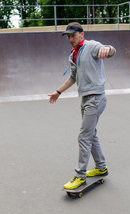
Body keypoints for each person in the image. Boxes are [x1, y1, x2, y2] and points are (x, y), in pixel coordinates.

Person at [48, 22, 116, 189]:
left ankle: (80, 175)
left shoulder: (92, 46)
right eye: (68, 36)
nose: (70, 39)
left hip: (96, 98)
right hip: (85, 99)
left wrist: (108, 49)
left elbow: (110, 50)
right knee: (91, 135)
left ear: (81, 34)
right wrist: (58, 92)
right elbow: (72, 77)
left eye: (73, 35)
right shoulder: (73, 54)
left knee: (83, 137)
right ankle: (101, 167)